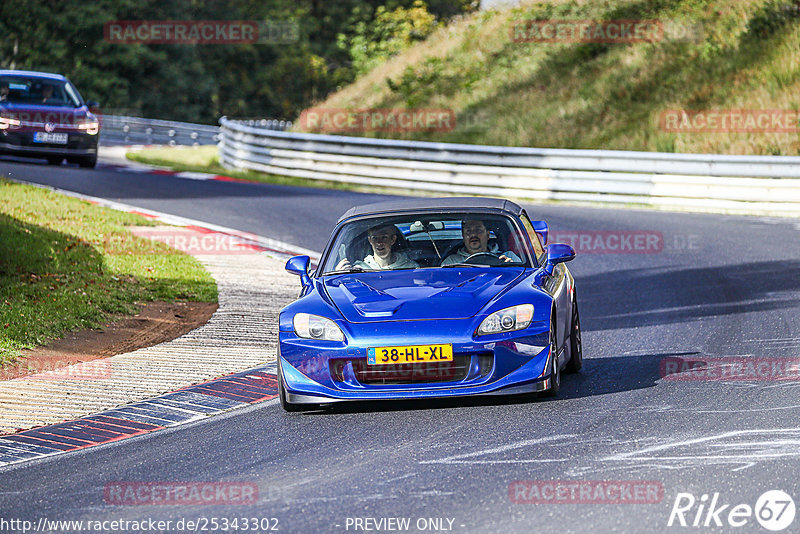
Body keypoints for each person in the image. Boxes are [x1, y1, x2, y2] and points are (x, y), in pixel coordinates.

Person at [336, 223, 419, 271]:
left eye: (384, 237)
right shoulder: (358, 269)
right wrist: (338, 273)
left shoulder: (410, 267)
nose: (379, 242)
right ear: (370, 240)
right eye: (374, 238)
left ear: (393, 240)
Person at [441, 218, 521, 266]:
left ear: (488, 235)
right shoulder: (452, 262)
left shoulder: (509, 257)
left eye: (478, 230)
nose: (473, 234)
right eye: (468, 231)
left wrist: (511, 267)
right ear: (463, 236)